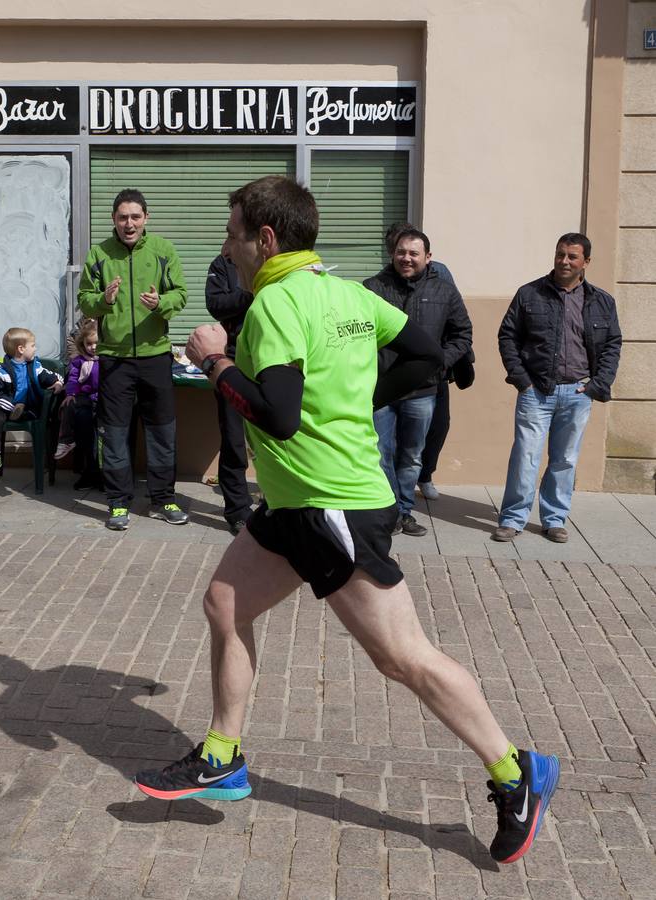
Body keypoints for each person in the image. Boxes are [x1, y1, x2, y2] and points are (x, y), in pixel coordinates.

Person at [133, 176, 559, 866]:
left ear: (265, 239)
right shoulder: (348, 293)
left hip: (331, 504)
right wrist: (361, 400)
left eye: (232, 229)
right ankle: (221, 755)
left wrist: (211, 359)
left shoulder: (274, 305)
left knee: (401, 656)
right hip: (301, 501)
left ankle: (516, 772)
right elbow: (424, 356)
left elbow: (275, 412)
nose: (226, 243)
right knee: (223, 603)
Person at [493, 233, 622, 543]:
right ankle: (513, 518)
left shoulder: (602, 301)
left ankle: (553, 519)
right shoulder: (529, 294)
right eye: (560, 254)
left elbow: (612, 344)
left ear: (585, 262)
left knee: (565, 460)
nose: (564, 261)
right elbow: (507, 337)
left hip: (578, 393)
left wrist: (597, 385)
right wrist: (522, 381)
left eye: (572, 257)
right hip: (537, 391)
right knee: (526, 456)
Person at [78, 188, 189, 531]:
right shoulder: (99, 254)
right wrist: (104, 300)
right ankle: (117, 504)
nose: (129, 223)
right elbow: (85, 299)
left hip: (156, 355)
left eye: (135, 217)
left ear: (146, 219)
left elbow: (181, 294)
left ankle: (163, 499)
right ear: (114, 219)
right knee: (114, 434)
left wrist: (161, 304)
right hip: (115, 359)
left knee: (161, 431)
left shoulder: (163, 250)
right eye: (123, 217)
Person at [364, 229, 473, 536]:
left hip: (422, 390)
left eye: (414, 253)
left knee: (412, 455)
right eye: (401, 252)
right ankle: (386, 511)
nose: (406, 258)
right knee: (379, 452)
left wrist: (439, 361)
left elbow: (462, 334)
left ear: (428, 257)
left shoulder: (444, 291)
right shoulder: (372, 288)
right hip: (381, 389)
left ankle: (403, 510)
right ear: (392, 254)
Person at [205, 253, 255, 534]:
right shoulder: (223, 263)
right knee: (234, 439)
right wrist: (249, 294)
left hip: (272, 358)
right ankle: (237, 510)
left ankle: (277, 503)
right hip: (233, 360)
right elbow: (216, 305)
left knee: (274, 437)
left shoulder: (276, 258)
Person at [0, 327, 64, 476]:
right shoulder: (0, 370)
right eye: (33, 345)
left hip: (28, 408)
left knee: (37, 416)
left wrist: (58, 383)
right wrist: (11, 406)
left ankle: (20, 412)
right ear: (21, 349)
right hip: (2, 407)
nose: (35, 349)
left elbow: (52, 376)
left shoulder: (35, 366)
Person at [54, 318, 102, 491]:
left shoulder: (106, 359)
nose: (93, 347)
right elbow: (73, 378)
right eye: (89, 344)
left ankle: (102, 474)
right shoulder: (80, 360)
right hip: (85, 399)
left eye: (97, 343)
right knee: (81, 422)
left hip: (104, 400)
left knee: (104, 435)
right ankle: (88, 470)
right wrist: (70, 393)